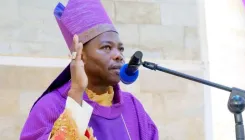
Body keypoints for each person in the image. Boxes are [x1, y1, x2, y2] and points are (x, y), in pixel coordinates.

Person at [20, 0, 159, 139]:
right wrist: (76, 93)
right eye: (106, 47)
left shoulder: (133, 107)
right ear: (81, 55)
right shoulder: (50, 107)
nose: (119, 55)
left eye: (120, 49)